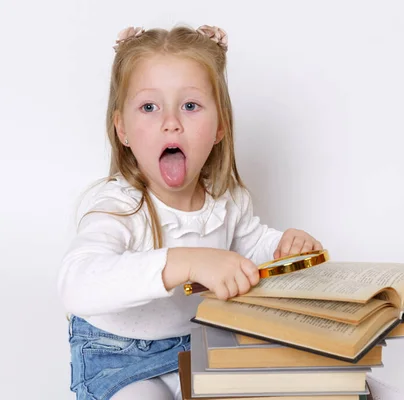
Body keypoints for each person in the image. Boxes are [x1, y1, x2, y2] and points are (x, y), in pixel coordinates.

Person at [57, 24, 323, 400]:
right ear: (122, 129)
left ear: (219, 128)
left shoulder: (224, 199)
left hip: (198, 345)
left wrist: (284, 245)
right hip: (117, 356)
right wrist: (184, 261)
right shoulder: (118, 205)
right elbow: (76, 283)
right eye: (149, 107)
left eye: (190, 106)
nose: (171, 122)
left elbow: (251, 244)